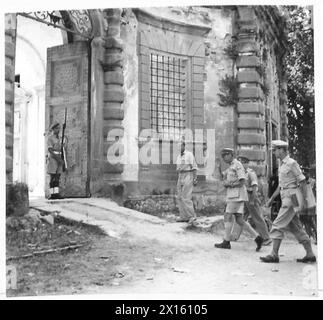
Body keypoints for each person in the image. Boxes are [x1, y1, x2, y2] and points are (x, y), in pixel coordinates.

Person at [260, 140, 316, 263]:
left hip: (292, 197)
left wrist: (304, 200)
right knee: (295, 227)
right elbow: (281, 186)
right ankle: (310, 254)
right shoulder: (282, 165)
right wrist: (271, 199)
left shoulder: (292, 163)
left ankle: (274, 255)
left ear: (282, 150)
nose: (274, 152)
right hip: (286, 196)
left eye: (275, 150)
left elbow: (301, 181)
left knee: (277, 225)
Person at [214, 148, 264, 251]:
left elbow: (242, 181)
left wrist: (230, 184)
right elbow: (220, 177)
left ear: (230, 155)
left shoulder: (237, 165)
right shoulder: (231, 167)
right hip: (234, 195)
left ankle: (226, 241)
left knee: (227, 216)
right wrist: (218, 167)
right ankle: (258, 238)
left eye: (225, 155)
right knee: (239, 219)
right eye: (222, 156)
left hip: (236, 196)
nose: (223, 158)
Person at [230, 155, 272, 246]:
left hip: (251, 196)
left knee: (257, 217)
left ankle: (266, 238)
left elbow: (254, 187)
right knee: (240, 216)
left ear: (246, 164)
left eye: (243, 163)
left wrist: (253, 199)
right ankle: (234, 236)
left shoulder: (250, 173)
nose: (241, 165)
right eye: (240, 163)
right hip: (244, 197)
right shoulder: (241, 173)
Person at [176, 141, 198, 223]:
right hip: (180, 176)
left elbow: (194, 167)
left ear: (184, 146)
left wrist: (195, 178)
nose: (178, 148)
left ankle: (192, 216)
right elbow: (178, 167)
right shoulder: (178, 156)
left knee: (186, 196)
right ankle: (183, 216)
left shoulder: (189, 154)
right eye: (177, 147)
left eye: (180, 146)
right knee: (179, 197)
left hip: (188, 175)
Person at [46, 122, 65, 200]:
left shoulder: (60, 138)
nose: (58, 130)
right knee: (53, 177)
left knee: (58, 177)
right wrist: (58, 159)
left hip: (59, 158)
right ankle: (52, 194)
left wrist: (62, 159)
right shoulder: (50, 138)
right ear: (53, 129)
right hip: (54, 159)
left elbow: (62, 148)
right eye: (57, 128)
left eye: (59, 128)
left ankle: (56, 193)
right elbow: (50, 150)